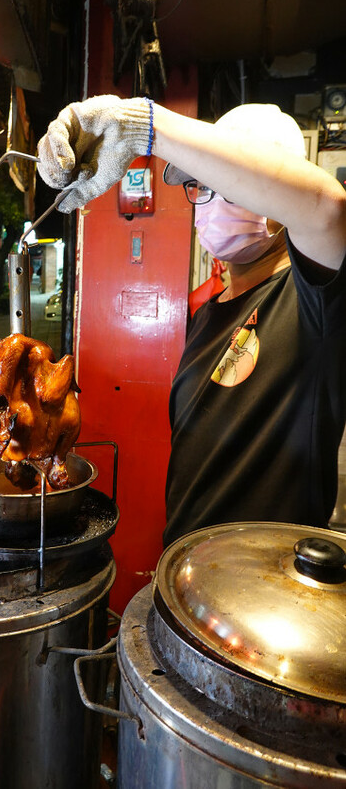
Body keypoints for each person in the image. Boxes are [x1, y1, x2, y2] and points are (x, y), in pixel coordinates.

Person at [36, 94, 346, 546]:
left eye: (232, 187)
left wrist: (145, 124)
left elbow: (329, 208)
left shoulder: (315, 301)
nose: (212, 199)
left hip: (270, 594)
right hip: (189, 580)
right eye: (202, 185)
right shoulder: (208, 314)